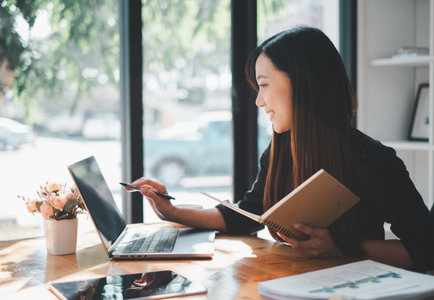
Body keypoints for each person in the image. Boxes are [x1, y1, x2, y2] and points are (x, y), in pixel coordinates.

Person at [129, 26, 434, 273]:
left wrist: (342, 247)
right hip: (288, 280)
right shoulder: (281, 148)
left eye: (263, 85)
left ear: (303, 84)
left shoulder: (375, 162)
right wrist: (172, 210)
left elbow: (426, 250)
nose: (258, 101)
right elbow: (248, 214)